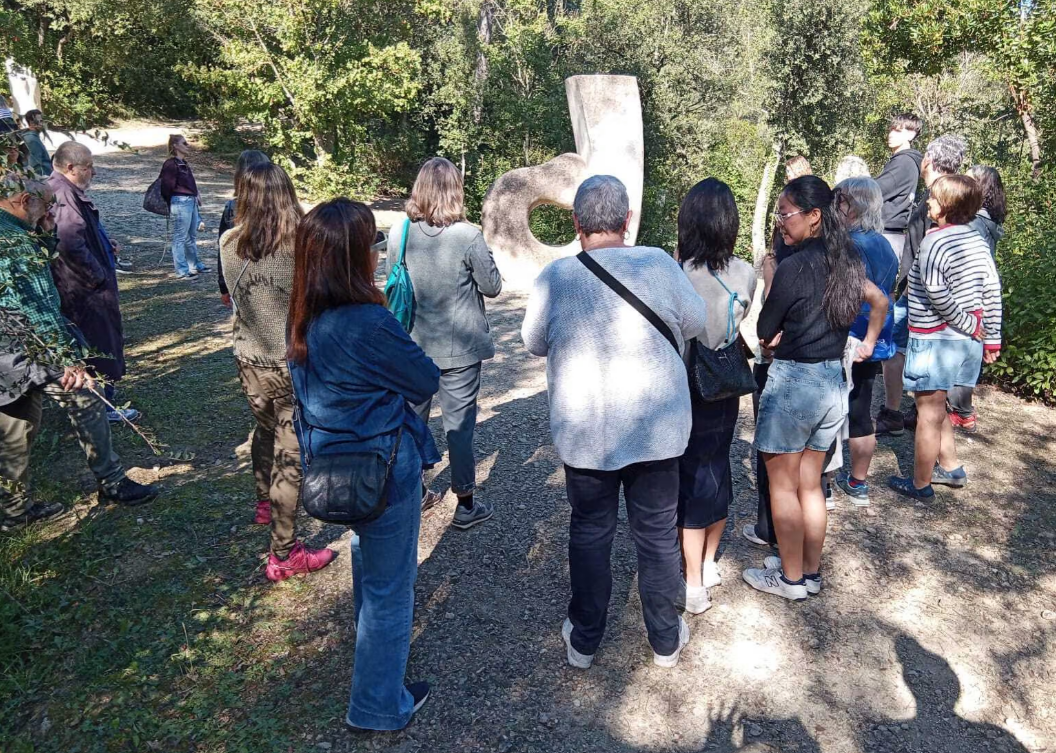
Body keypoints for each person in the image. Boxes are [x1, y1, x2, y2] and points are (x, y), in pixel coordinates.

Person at [522, 175, 707, 668]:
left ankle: (584, 638)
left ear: (577, 223)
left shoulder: (557, 277)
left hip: (588, 431)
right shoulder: (659, 264)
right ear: (628, 221)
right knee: (657, 532)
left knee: (589, 530)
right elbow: (695, 323)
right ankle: (666, 639)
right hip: (657, 429)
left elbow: (533, 342)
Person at [286, 199, 440, 731]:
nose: (378, 254)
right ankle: (377, 704)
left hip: (331, 466)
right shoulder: (369, 322)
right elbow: (424, 379)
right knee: (391, 589)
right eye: (372, 244)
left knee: (366, 561)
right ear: (355, 257)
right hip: (382, 467)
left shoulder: (303, 317)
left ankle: (372, 666)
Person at [745, 176, 889, 601]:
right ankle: (809, 571)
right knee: (812, 483)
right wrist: (867, 343)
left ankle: (789, 579)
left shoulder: (792, 268)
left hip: (794, 383)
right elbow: (879, 300)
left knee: (783, 485)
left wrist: (771, 277)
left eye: (786, 213)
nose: (781, 222)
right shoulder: (847, 262)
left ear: (813, 217)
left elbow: (764, 329)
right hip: (831, 383)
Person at [0, 175, 159, 530]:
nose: (52, 211)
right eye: (46, 206)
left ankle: (14, 512)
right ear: (24, 200)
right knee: (87, 397)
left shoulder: (13, 231)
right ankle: (113, 481)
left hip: (6, 355)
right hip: (29, 350)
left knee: (16, 428)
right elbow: (36, 307)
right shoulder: (13, 242)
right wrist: (68, 360)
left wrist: (45, 227)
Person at [219, 162, 334, 581]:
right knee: (290, 453)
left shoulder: (229, 241)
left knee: (264, 430)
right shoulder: (300, 246)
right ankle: (284, 553)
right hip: (290, 362)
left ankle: (264, 502)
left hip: (247, 357)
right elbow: (319, 303)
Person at [387, 157, 502, 528]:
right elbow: (492, 286)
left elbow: (392, 283)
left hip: (410, 346)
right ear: (455, 191)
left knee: (410, 422)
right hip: (460, 349)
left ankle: (414, 492)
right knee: (459, 426)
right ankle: (465, 505)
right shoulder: (467, 236)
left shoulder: (399, 233)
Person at [888, 175, 1002, 499]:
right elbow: (992, 289)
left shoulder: (934, 240)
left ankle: (920, 484)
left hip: (937, 340)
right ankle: (951, 467)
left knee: (927, 411)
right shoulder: (976, 240)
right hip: (966, 343)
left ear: (949, 206)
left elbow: (937, 292)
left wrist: (966, 322)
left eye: (935, 199)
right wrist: (991, 337)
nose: (928, 203)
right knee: (937, 405)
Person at [675, 178, 757, 614]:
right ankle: (707, 563)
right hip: (725, 382)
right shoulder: (745, 272)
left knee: (688, 476)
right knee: (717, 466)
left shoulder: (676, 270)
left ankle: (691, 583)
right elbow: (753, 332)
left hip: (685, 381)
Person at [876, 134, 967, 436]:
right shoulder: (946, 193)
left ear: (928, 159)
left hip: (920, 293)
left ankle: (903, 414)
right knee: (900, 347)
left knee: (897, 347)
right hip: (919, 290)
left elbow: (933, 250)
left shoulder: (941, 199)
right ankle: (910, 412)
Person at [47, 141, 139, 424]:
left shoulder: (66, 191)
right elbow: (69, 242)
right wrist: (97, 275)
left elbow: (82, 235)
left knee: (101, 345)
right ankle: (105, 407)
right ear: (71, 168)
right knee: (100, 347)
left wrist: (103, 244)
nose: (94, 173)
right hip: (85, 292)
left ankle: (100, 405)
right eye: (89, 168)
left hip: (85, 288)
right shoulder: (62, 194)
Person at [832, 178, 899, 506]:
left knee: (830, 410)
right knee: (860, 409)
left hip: (846, 337)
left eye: (839, 199)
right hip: (875, 339)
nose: (835, 205)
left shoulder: (846, 244)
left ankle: (823, 483)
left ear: (852, 205)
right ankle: (858, 482)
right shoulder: (885, 244)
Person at [947, 166, 1007, 433]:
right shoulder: (991, 220)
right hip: (978, 294)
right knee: (969, 354)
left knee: (959, 352)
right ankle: (962, 410)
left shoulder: (975, 223)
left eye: (971, 178)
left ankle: (959, 411)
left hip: (967, 292)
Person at [217, 150, 270, 307]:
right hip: (273, 278)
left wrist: (224, 286)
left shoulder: (233, 207)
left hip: (243, 279)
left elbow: (223, 248)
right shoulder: (280, 205)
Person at [874, 113, 924, 260]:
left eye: (897, 131)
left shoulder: (904, 163)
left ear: (911, 134)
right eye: (891, 129)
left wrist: (851, 190)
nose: (891, 134)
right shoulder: (904, 161)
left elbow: (877, 191)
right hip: (889, 234)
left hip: (887, 236)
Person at [160, 134, 208, 280]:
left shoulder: (184, 164)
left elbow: (190, 182)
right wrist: (171, 202)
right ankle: (181, 270)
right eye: (184, 143)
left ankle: (194, 265)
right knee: (180, 237)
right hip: (181, 202)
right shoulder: (170, 164)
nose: (188, 146)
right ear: (175, 146)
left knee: (191, 236)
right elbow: (166, 187)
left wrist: (196, 193)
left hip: (190, 201)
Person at [20, 110, 52, 176]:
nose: (42, 124)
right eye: (40, 121)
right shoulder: (32, 139)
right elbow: (35, 165)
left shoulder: (32, 137)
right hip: (43, 179)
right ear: (32, 123)